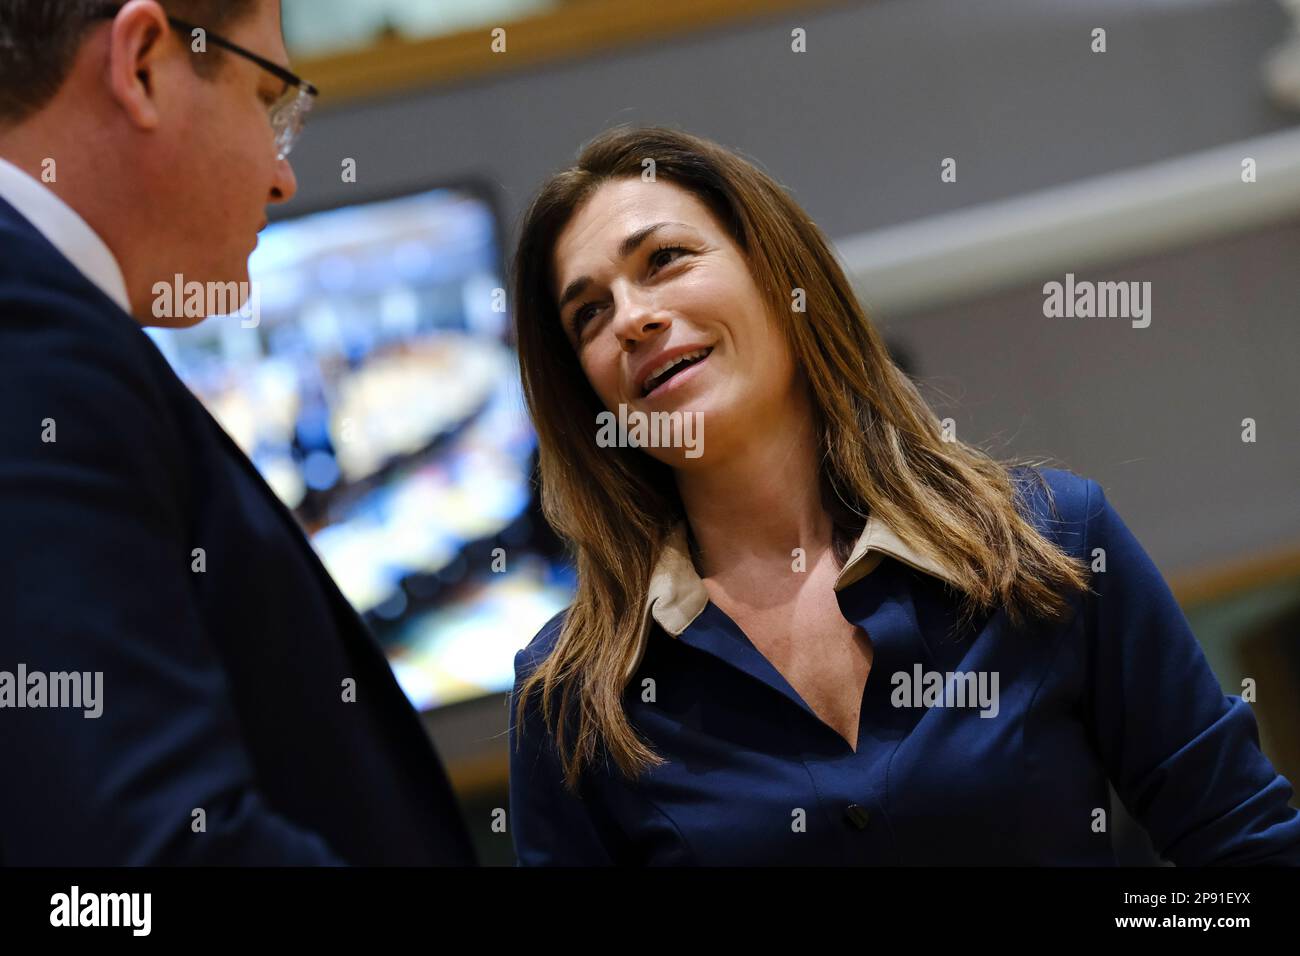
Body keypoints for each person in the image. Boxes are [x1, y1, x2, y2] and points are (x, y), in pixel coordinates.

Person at [505, 124, 1300, 865]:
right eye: (590, 313)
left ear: (783, 278)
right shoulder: (572, 697)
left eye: (665, 259)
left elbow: (1245, 846)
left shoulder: (1047, 538)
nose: (634, 319)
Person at [0, 0, 474, 865]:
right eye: (269, 99)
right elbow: (139, 856)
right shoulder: (29, 334)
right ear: (142, 63)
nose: (282, 175)